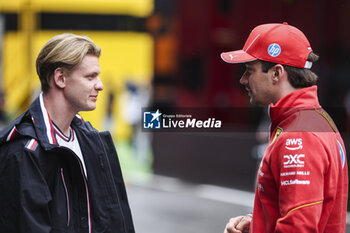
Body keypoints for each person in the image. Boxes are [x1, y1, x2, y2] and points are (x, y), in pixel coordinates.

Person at [0, 33, 135, 233]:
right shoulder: (24, 152)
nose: (100, 85)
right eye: (90, 76)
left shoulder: (91, 139)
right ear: (61, 78)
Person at [221, 23, 348, 233]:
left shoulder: (298, 135)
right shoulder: (315, 119)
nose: (242, 79)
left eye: (249, 70)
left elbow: (298, 227)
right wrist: (258, 222)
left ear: (276, 74)